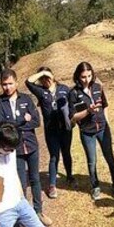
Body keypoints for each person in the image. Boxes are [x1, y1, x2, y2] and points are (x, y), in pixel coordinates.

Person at [0, 69, 51, 227]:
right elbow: (3, 126)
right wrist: (23, 121)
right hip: (13, 150)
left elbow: (36, 121)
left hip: (31, 145)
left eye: (10, 83)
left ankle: (38, 211)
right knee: (20, 185)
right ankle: (23, 221)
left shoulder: (26, 99)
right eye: (4, 84)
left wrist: (16, 124)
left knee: (35, 179)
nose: (7, 87)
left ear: (16, 83)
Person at [68, 62, 114, 200]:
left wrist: (107, 121)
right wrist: (88, 111)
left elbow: (105, 105)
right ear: (77, 76)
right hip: (87, 132)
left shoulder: (98, 87)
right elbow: (73, 117)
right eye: (83, 77)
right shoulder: (74, 93)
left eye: (89, 76)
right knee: (92, 161)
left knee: (109, 157)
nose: (86, 79)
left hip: (103, 128)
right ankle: (95, 186)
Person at [25, 67, 75, 198]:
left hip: (65, 129)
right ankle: (52, 185)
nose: (46, 80)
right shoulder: (41, 92)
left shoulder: (64, 88)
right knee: (54, 156)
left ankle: (70, 176)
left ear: (53, 76)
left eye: (48, 77)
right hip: (51, 131)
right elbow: (28, 82)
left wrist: (72, 120)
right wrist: (42, 73)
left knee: (66, 153)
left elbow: (71, 106)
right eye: (42, 79)